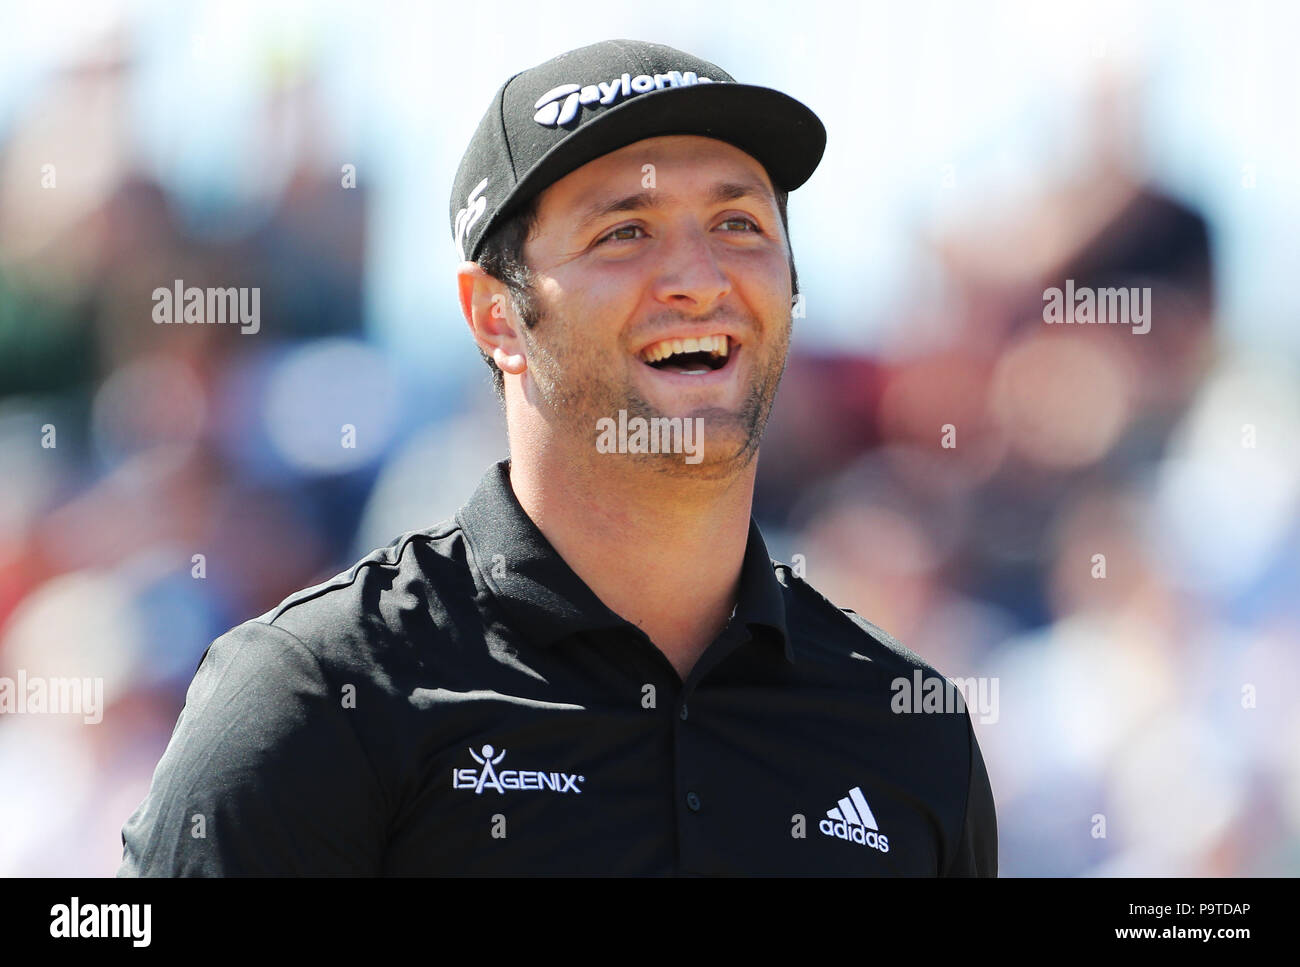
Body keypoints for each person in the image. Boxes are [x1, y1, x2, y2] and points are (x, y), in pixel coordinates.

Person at [118, 38, 997, 876]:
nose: (699, 277)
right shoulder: (316, 698)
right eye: (626, 232)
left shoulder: (905, 726)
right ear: (497, 316)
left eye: (738, 222)